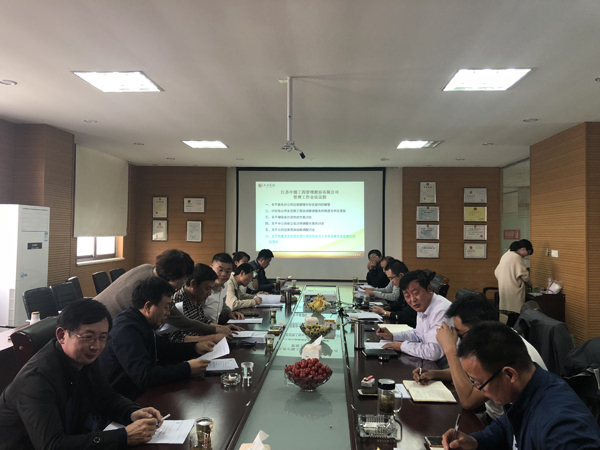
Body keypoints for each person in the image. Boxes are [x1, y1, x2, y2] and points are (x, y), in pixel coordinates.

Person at [0, 300, 163, 449]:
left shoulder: (83, 359)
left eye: (102, 337)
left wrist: (132, 412)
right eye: (87, 337)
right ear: (62, 335)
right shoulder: (36, 380)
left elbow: (106, 397)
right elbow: (52, 445)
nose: (96, 346)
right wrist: (124, 436)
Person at [441, 322, 600, 450]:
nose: (478, 389)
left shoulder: (561, 427)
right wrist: (475, 441)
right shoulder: (527, 389)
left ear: (510, 374)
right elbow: (506, 428)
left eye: (480, 383)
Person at [413, 292, 546, 423]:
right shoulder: (495, 337)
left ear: (479, 327)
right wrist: (434, 374)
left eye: (460, 334)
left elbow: (468, 401)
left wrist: (450, 349)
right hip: (497, 420)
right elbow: (468, 372)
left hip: (504, 423)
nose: (459, 340)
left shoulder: (501, 350)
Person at [98, 277, 215, 401]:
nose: (168, 313)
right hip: (118, 400)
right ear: (148, 306)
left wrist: (195, 347)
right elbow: (144, 377)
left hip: (135, 393)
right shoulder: (126, 329)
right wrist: (187, 368)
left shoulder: (141, 321)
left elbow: (164, 349)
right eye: (166, 307)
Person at [95, 249, 225, 337]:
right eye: (185, 278)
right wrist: (217, 329)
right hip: (103, 328)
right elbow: (182, 322)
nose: (185, 282)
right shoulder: (153, 289)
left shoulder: (147, 267)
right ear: (174, 277)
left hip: (95, 310)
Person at [378, 270, 452, 362]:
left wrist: (401, 346)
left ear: (429, 289)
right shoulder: (424, 305)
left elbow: (433, 352)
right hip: (430, 363)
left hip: (444, 367)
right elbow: (418, 334)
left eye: (416, 293)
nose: (413, 300)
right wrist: (392, 336)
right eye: (407, 296)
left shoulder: (442, 310)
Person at [169, 263, 244, 343]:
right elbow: (176, 338)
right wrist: (212, 337)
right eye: (207, 289)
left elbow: (203, 321)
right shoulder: (177, 301)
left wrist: (222, 328)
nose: (210, 293)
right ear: (193, 284)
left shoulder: (196, 297)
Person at [495, 239, 534, 327]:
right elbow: (524, 274)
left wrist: (504, 280)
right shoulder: (517, 257)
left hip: (504, 288)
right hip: (514, 289)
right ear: (523, 249)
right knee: (515, 313)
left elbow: (496, 271)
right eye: (528, 253)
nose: (526, 255)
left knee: (509, 314)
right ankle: (514, 331)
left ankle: (508, 330)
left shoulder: (506, 255)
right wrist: (529, 283)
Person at [370, 260, 417, 327]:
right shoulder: (404, 286)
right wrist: (385, 308)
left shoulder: (413, 288)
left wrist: (385, 312)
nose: (391, 282)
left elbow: (407, 315)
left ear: (401, 275)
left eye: (392, 278)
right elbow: (399, 304)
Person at [203, 253, 245, 323]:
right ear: (211, 268)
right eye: (220, 270)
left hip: (216, 326)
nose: (224, 274)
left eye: (228, 271)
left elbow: (222, 304)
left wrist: (229, 313)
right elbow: (196, 317)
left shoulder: (225, 284)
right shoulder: (203, 288)